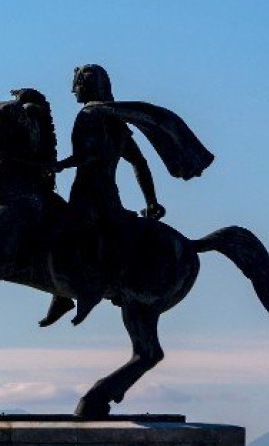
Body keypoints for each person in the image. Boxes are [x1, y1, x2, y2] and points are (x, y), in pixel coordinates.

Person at [42, 64, 212, 327]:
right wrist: (151, 201)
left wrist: (60, 165)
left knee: (57, 235)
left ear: (86, 86)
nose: (73, 91)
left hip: (87, 194)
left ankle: (80, 293)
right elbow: (139, 162)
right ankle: (64, 297)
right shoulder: (115, 121)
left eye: (76, 85)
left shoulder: (88, 115)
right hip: (109, 195)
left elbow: (89, 155)